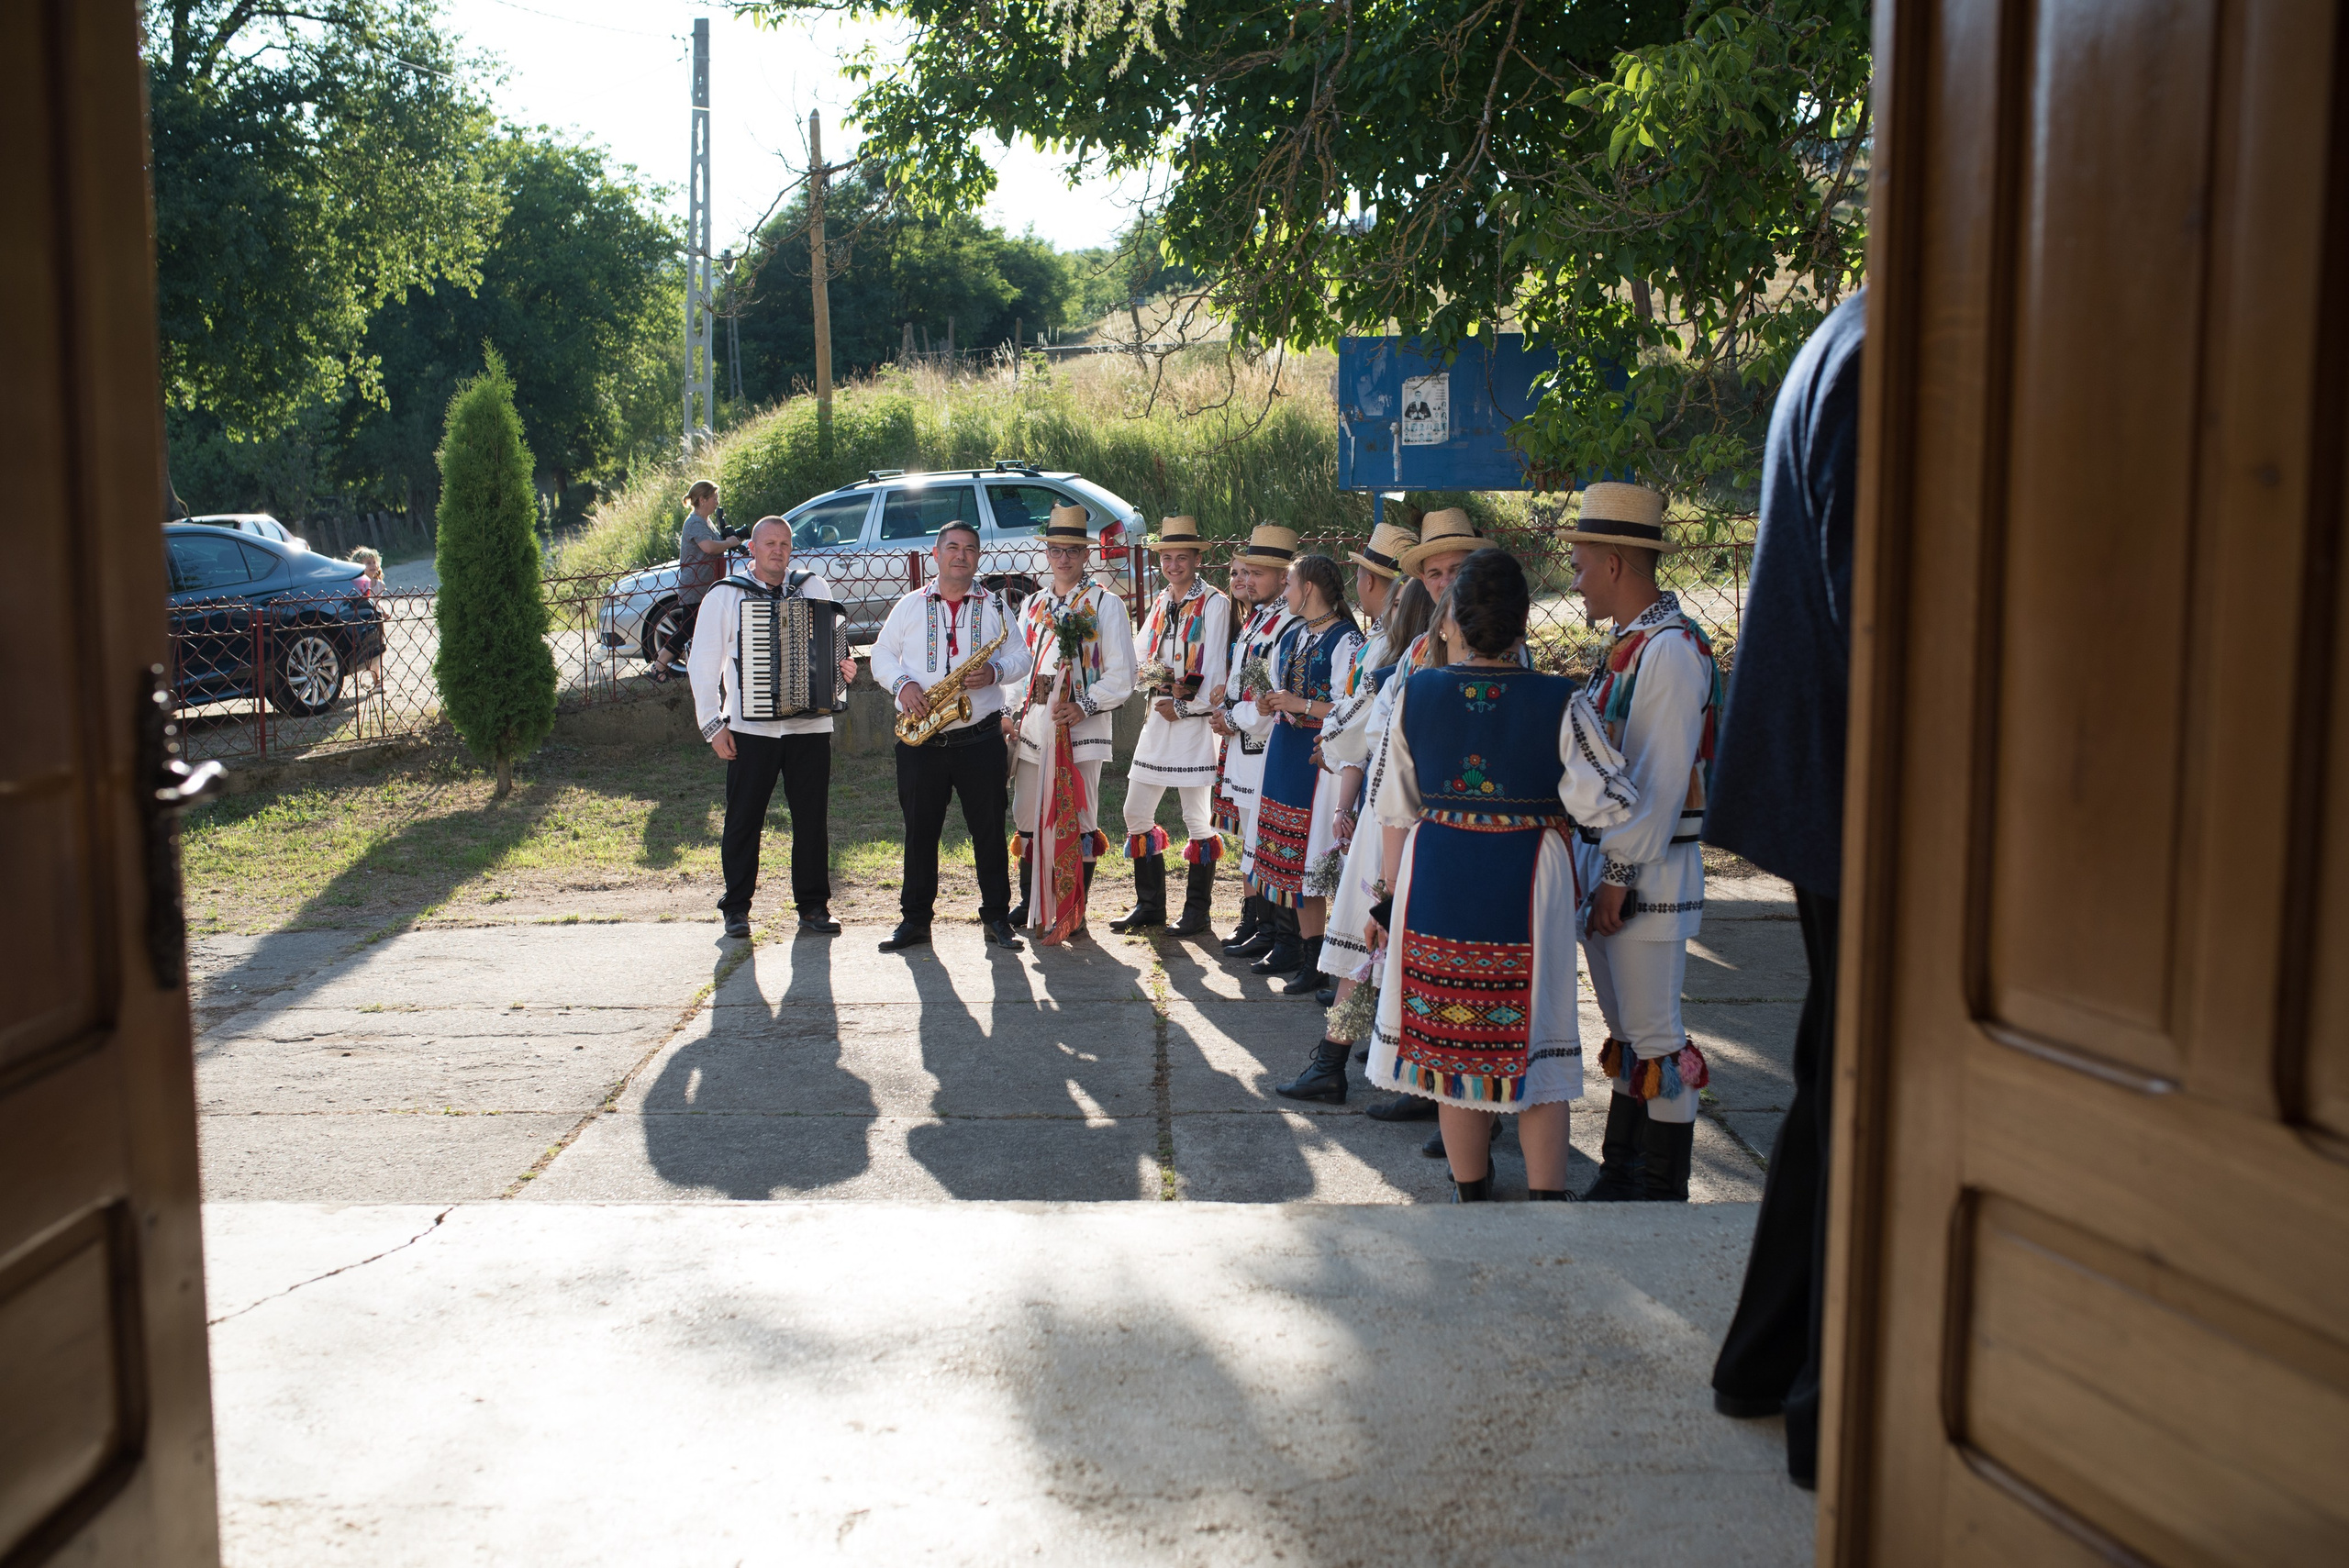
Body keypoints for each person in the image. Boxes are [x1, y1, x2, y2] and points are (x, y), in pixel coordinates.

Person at [1704, 290, 1864, 1490]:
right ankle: (1830, 1408)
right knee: (1873, 1092)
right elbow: (1881, 622)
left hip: (1831, 786)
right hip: (1862, 792)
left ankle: (1767, 1360)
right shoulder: (1884, 352)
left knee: (1840, 1069)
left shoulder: (1850, 331)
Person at [1358, 549, 1636, 1199]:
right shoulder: (1560, 701)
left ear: (1452, 618)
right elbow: (1611, 798)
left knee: (1456, 1051)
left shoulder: (1414, 693)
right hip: (1526, 875)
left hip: (1437, 876)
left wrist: (1386, 904)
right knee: (1534, 1047)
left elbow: (1393, 806)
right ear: (1524, 623)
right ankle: (1546, 1202)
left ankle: (1473, 1197)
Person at [1564, 482, 1727, 1205]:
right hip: (1623, 865)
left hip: (1650, 871)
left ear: (1616, 564)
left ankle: (1661, 1185)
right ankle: (1623, 1171)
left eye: (1580, 561)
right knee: (1631, 1027)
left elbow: (1659, 782)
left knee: (1657, 1031)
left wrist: (1618, 875)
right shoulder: (1633, 646)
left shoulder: (1668, 652)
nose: (1573, 577)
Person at [1276, 573, 1442, 1104]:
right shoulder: (1411, 662)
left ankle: (1359, 1068)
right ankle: (1352, 1065)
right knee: (1376, 946)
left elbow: (1348, 726)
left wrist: (1332, 744)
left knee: (1370, 942)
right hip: (1403, 817)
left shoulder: (1403, 667)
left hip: (1397, 821)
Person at [688, 516, 858, 940]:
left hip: (811, 726)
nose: (777, 550)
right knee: (744, 818)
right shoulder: (726, 596)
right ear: (752, 549)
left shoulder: (813, 586)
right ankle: (736, 908)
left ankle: (814, 907)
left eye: (784, 543)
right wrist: (713, 725)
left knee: (811, 818)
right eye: (769, 543)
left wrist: (843, 673)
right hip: (750, 727)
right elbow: (703, 663)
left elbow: (837, 643)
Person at [869, 517, 1034, 953]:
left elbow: (1022, 657)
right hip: (923, 740)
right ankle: (915, 920)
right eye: (954, 547)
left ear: (977, 557)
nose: (961, 555)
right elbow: (882, 655)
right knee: (919, 832)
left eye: (970, 549)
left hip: (979, 737)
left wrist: (996, 670)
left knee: (988, 832)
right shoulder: (909, 605)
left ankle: (997, 918)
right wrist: (903, 684)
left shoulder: (996, 606)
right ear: (937, 554)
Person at [1005, 504, 1137, 935]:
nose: (1064, 558)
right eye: (1056, 549)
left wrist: (1085, 705)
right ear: (1047, 554)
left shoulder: (1106, 604)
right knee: (1027, 811)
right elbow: (1020, 663)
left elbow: (1123, 674)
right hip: (1035, 721)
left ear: (1086, 555)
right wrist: (1010, 712)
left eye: (1073, 550)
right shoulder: (1034, 603)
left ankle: (1072, 907)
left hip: (1081, 722)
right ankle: (1033, 902)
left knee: (1078, 815)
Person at [1247, 554, 1365, 994]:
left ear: (1310, 588)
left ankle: (1326, 962)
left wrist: (1299, 706)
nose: (1285, 591)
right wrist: (1272, 702)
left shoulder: (1347, 641)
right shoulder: (1295, 633)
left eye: (1291, 582)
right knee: (1290, 857)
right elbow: (1286, 690)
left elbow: (1352, 708)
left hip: (1320, 758)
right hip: (1285, 749)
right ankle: (1308, 956)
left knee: (1315, 857)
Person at [1111, 516, 1233, 936]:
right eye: (1167, 557)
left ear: (1198, 558)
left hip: (1194, 725)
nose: (1174, 565)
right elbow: (1139, 656)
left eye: (1183, 557)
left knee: (1197, 818)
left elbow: (1216, 664)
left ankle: (1198, 912)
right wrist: (1161, 685)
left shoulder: (1215, 603)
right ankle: (1150, 906)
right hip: (1157, 718)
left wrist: (1186, 706)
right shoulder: (1163, 601)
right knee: (1135, 811)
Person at [1211, 524, 1300, 961]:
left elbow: (1270, 703)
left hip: (1263, 747)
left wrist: (1231, 716)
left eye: (1257, 573)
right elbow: (1247, 684)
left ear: (1285, 577)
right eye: (1243, 572)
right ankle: (1262, 923)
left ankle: (1285, 935)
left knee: (1267, 840)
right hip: (1245, 745)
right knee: (1252, 839)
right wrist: (1226, 700)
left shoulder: (1287, 625)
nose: (1245, 581)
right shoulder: (1260, 618)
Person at [658, 480, 737, 683]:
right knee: (689, 627)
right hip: (695, 585)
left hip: (705, 584)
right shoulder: (694, 522)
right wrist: (728, 543)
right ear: (702, 500)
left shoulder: (705, 521)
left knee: (702, 626)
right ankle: (659, 665)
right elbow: (709, 547)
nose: (717, 502)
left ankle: (702, 666)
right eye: (714, 498)